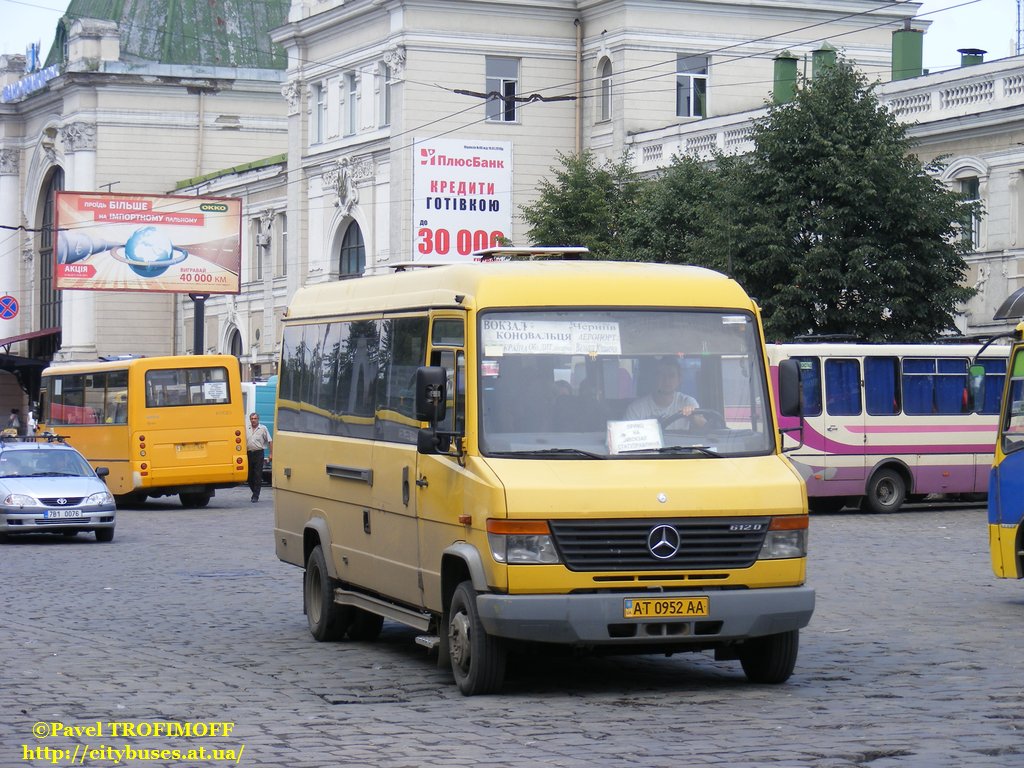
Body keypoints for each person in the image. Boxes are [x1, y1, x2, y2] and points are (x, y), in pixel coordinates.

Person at [625, 357, 706, 430]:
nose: (667, 380)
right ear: (655, 378)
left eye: (671, 375)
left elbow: (706, 429)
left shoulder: (687, 402)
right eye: (662, 375)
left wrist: (693, 417)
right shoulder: (636, 409)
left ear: (679, 379)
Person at [245, 412, 272, 503]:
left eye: (255, 418)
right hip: (248, 453)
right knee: (249, 476)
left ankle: (255, 496)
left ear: (258, 419)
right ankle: (255, 491)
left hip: (258, 453)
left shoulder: (263, 428)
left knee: (257, 474)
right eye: (252, 419)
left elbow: (270, 441)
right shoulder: (246, 428)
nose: (253, 420)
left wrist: (271, 454)